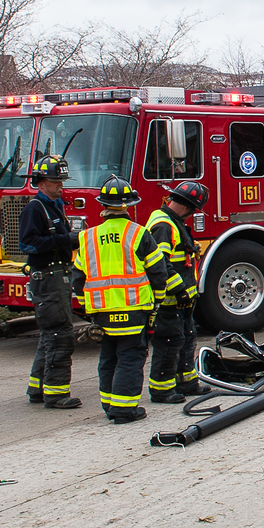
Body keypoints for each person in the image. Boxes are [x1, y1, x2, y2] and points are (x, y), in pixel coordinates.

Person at [71, 178, 170, 424]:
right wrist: (156, 303)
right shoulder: (138, 233)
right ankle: (124, 409)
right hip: (135, 309)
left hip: (102, 312)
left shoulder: (88, 237)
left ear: (102, 205)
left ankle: (110, 405)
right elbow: (158, 273)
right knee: (130, 356)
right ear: (129, 205)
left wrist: (88, 308)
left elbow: (77, 278)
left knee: (108, 357)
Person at [20, 155, 80, 409]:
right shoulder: (35, 208)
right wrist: (65, 240)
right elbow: (29, 244)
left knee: (49, 335)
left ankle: (37, 388)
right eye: (56, 181)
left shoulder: (55, 206)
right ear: (41, 183)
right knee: (61, 334)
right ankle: (56, 394)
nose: (60, 185)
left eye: (61, 181)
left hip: (57, 276)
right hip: (47, 277)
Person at [145, 180, 209, 404]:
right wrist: (179, 290)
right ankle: (162, 390)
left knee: (186, 337)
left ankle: (187, 383)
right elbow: (161, 263)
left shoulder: (172, 222)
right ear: (188, 207)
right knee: (169, 341)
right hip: (171, 299)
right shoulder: (163, 225)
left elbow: (177, 256)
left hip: (182, 299)